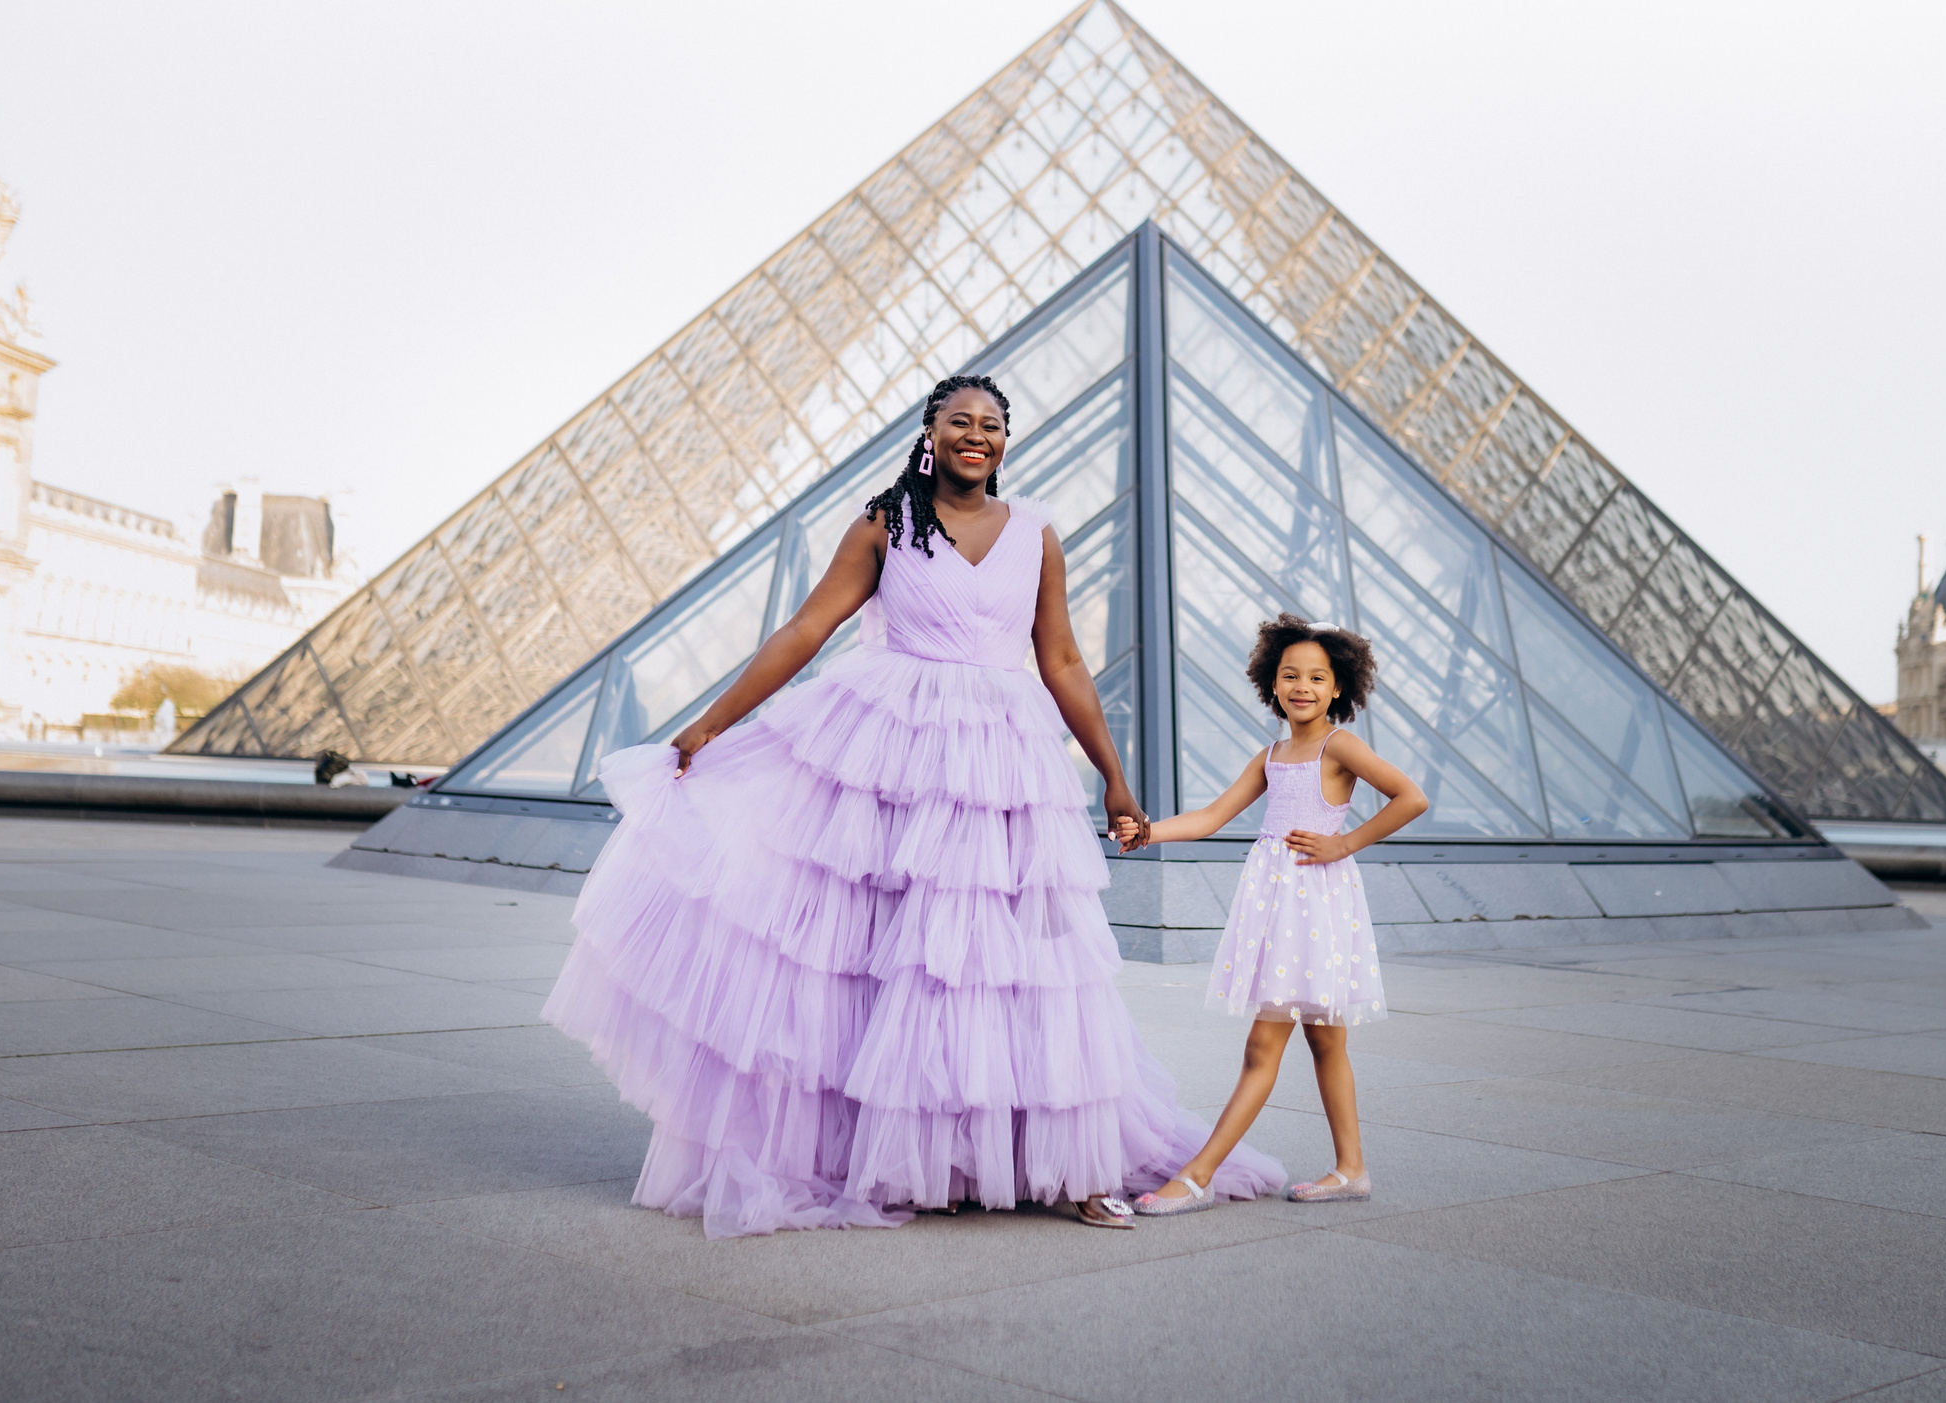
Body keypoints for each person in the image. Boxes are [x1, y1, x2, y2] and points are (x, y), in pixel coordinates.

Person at [542, 373, 1281, 1237]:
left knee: (1023, 961)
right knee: (903, 963)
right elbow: (806, 630)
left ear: (1006, 442)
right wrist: (709, 724)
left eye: (992, 424)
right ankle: (917, 1158)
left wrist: (1114, 777)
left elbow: (1064, 662)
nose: (977, 435)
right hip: (898, 757)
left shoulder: (1037, 532)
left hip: (1005, 767)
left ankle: (1065, 1161)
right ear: (930, 433)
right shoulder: (885, 522)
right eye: (960, 420)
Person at [1119, 614, 1427, 1213]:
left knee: (1266, 1045)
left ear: (1339, 687)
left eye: (1317, 677)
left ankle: (1198, 1176)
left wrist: (1344, 843)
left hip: (1314, 905)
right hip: (1280, 908)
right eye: (1290, 675)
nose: (1302, 687)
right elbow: (1212, 817)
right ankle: (1351, 1170)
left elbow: (1411, 797)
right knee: (1325, 1043)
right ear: (1272, 682)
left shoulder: (1340, 746)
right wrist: (1148, 832)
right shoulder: (1273, 754)